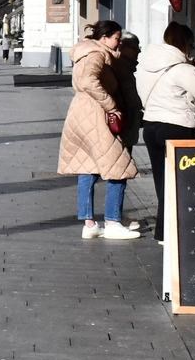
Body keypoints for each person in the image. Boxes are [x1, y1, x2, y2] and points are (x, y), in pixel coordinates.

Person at [136, 22, 195, 243]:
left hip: (151, 125)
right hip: (176, 127)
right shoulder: (182, 69)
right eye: (191, 44)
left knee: (163, 181)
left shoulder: (146, 65)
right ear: (185, 43)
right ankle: (174, 232)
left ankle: (163, 232)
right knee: (181, 181)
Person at [58, 20, 140, 241]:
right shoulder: (96, 54)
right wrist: (110, 105)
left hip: (82, 113)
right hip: (95, 114)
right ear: (104, 38)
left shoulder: (87, 51)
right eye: (116, 38)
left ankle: (89, 223)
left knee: (88, 167)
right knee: (119, 166)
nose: (118, 43)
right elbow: (88, 81)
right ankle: (112, 221)